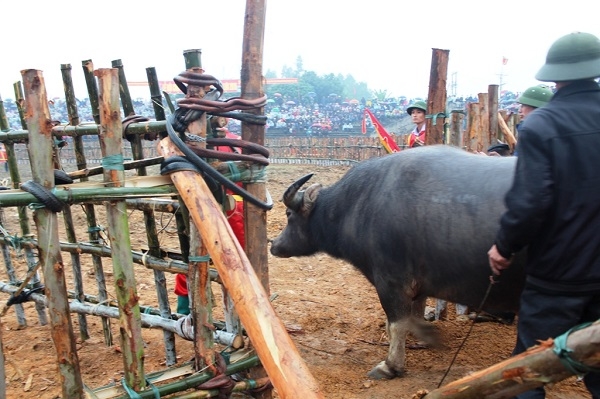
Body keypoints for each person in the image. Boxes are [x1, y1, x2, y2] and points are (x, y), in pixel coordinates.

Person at [488, 31, 600, 398]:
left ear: (555, 76)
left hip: (559, 274)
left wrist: (504, 247)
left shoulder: (541, 125)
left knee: (529, 369)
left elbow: (530, 203)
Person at [174, 126, 246, 315]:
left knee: (193, 257)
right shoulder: (237, 143)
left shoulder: (188, 143)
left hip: (208, 208)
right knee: (237, 264)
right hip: (232, 210)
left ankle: (185, 312)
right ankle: (239, 315)